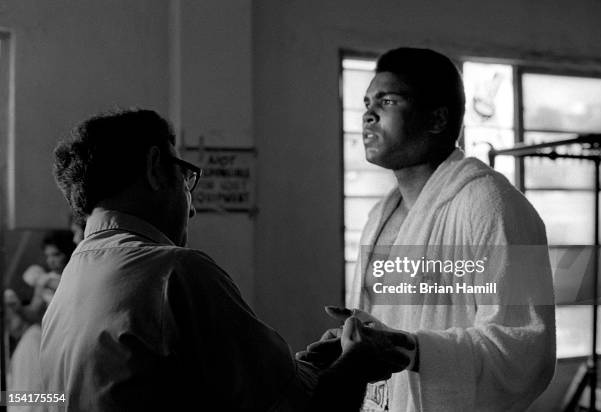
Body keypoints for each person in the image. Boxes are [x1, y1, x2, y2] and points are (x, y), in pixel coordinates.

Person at [41, 109, 411, 411]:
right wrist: (360, 361)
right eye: (185, 177)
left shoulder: (70, 284)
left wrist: (313, 367)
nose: (193, 209)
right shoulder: (173, 272)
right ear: (156, 167)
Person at [300, 48, 556, 411]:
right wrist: (354, 344)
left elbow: (524, 351)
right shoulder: (380, 216)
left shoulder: (497, 207)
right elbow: (391, 326)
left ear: (437, 119)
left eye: (387, 101)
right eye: (367, 102)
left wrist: (410, 350)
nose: (368, 114)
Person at [6, 230, 74, 412]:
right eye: (48, 255)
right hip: (42, 337)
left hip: (68, 339)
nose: (51, 260)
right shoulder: (44, 280)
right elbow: (35, 313)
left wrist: (44, 280)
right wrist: (17, 307)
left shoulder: (75, 275)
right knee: (32, 383)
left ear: (68, 252)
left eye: (56, 254)